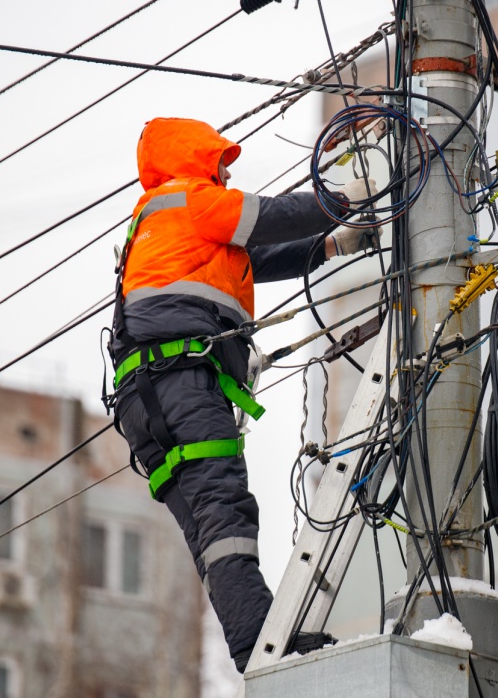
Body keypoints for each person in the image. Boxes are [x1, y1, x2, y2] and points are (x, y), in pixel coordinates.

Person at [106, 117, 377, 671]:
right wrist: (344, 199)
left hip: (144, 400)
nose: (227, 171)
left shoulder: (158, 223)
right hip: (182, 385)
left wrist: (331, 244)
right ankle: (259, 644)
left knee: (210, 529)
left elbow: (252, 261)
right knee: (224, 510)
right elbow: (265, 218)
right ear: (195, 157)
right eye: (220, 160)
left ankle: (255, 643)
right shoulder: (190, 198)